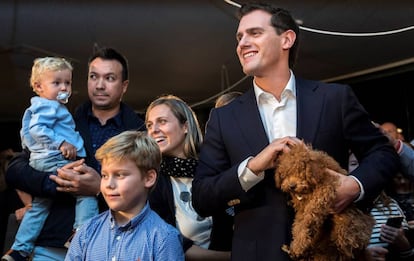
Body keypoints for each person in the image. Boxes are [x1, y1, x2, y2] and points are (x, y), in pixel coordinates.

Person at [191, 2, 399, 260]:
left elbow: (383, 154)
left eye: (254, 33)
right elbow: (201, 197)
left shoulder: (334, 98)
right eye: (239, 36)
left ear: (286, 39)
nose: (242, 43)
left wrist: (354, 186)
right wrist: (252, 168)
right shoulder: (224, 118)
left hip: (330, 251)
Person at [4, 47, 146, 260]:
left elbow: (149, 189)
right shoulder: (63, 120)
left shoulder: (139, 132)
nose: (99, 85)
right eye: (93, 76)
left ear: (124, 86)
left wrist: (100, 188)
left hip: (115, 246)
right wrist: (57, 183)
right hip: (52, 244)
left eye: (109, 78)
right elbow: (15, 169)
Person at [4, 57, 98, 261]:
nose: (64, 87)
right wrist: (62, 143)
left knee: (40, 206)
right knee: (86, 194)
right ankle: (80, 235)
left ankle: (20, 249)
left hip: (43, 159)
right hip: (55, 158)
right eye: (57, 83)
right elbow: (37, 129)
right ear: (38, 86)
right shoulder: (49, 106)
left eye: (68, 82)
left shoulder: (43, 106)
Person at [65, 130, 184, 260]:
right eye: (105, 175)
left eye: (120, 175)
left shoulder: (164, 238)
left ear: (149, 178)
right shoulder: (87, 231)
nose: (109, 184)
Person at [145, 94, 232, 260]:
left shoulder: (214, 167)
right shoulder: (151, 180)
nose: (154, 129)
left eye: (162, 121)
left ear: (185, 126)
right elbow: (170, 243)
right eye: (149, 125)